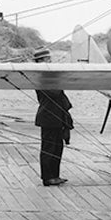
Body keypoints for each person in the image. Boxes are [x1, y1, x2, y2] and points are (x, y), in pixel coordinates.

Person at [32, 47, 72, 186]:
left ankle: (55, 175)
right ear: (41, 61)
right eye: (47, 59)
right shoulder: (42, 77)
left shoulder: (48, 76)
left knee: (57, 147)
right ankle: (48, 177)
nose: (50, 61)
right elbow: (55, 93)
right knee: (49, 148)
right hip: (48, 117)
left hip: (56, 117)